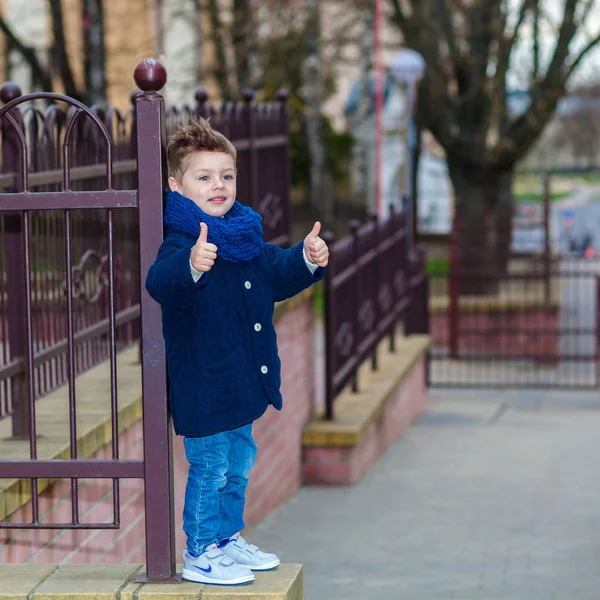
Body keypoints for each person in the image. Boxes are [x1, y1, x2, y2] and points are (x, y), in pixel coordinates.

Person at [145, 119, 329, 586]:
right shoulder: (183, 241)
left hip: (242, 383)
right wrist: (190, 266)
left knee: (239, 466)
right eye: (203, 177)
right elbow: (162, 283)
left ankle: (226, 539)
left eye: (226, 175)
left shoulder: (242, 237)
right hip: (206, 387)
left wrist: (306, 257)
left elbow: (277, 269)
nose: (218, 185)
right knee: (211, 468)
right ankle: (201, 551)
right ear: (176, 185)